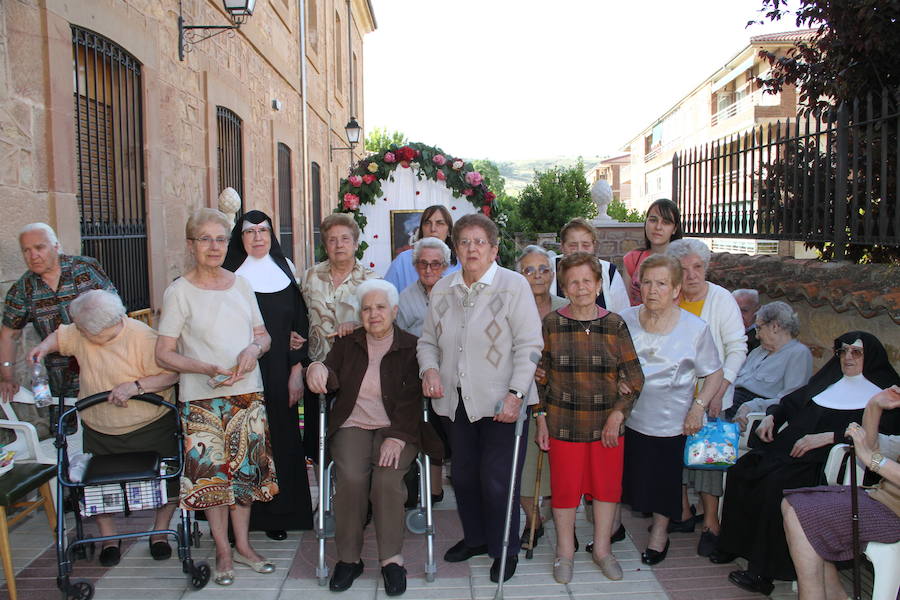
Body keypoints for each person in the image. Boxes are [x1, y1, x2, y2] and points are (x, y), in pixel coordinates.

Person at [711, 331, 900, 596]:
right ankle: (733, 545)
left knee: (776, 485)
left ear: (871, 357)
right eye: (843, 351)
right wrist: (773, 416)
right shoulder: (829, 378)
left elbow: (880, 438)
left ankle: (763, 571)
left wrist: (830, 437)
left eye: (856, 352)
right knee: (742, 470)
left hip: (825, 461)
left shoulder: (886, 393)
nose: (847, 357)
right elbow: (792, 402)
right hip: (789, 451)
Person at [155, 208, 278, 587]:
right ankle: (223, 549)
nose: (214, 246)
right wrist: (204, 367)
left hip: (247, 395)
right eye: (205, 239)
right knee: (213, 482)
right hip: (202, 401)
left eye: (221, 239)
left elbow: (263, 335)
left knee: (244, 477)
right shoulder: (179, 291)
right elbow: (164, 353)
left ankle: (243, 545)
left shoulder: (241, 285)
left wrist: (253, 350)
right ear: (191, 245)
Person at [418, 213, 543, 583]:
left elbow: (529, 345)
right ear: (456, 249)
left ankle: (505, 548)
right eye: (464, 242)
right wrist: (429, 370)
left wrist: (516, 394)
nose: (471, 249)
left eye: (479, 242)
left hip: (503, 402)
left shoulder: (513, 286)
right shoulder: (443, 288)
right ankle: (475, 538)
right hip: (455, 402)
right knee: (465, 476)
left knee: (498, 479)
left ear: (494, 248)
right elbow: (427, 341)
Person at [306, 279, 442, 596]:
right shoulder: (348, 343)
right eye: (367, 309)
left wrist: (398, 436)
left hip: (397, 427)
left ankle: (391, 560)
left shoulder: (411, 346)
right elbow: (329, 372)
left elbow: (413, 400)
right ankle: (349, 559)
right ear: (360, 314)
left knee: (386, 480)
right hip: (353, 424)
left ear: (394, 311)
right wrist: (317, 368)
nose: (373, 314)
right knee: (351, 478)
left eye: (380, 307)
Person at [27, 290, 179, 566]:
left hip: (149, 425)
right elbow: (60, 336)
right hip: (99, 426)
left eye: (84, 329)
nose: (79, 331)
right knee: (97, 488)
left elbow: (171, 374)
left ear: (104, 327)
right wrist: (43, 348)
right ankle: (109, 538)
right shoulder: (81, 331)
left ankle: (159, 533)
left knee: (165, 483)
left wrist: (136, 387)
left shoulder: (144, 338)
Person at [534, 252, 644, 583]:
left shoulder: (615, 324)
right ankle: (564, 552)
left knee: (607, 490)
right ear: (564, 287)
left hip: (606, 427)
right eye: (573, 282)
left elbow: (635, 377)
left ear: (598, 285)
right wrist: (541, 418)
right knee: (565, 491)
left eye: (587, 281)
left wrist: (618, 414)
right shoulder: (552, 324)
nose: (580, 287)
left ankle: (603, 550)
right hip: (563, 424)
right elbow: (539, 378)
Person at [619, 254, 723, 566]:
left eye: (662, 284)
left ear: (676, 289)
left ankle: (659, 534)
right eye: (647, 283)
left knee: (664, 480)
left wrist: (698, 408)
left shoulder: (695, 328)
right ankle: (612, 528)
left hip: (671, 419)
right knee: (625, 477)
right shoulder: (624, 320)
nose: (652, 290)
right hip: (628, 416)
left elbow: (714, 373)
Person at [222, 210, 313, 540]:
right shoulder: (228, 275)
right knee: (244, 445)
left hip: (279, 372)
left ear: (272, 235)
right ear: (240, 237)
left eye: (263, 230)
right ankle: (242, 523)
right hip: (242, 372)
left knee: (281, 441)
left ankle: (279, 515)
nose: (258, 237)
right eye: (250, 231)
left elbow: (299, 324)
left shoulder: (284, 268)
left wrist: (296, 369)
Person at [666, 238, 747, 556]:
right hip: (673, 396)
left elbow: (737, 347)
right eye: (683, 268)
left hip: (712, 395)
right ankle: (683, 513)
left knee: (709, 459)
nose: (691, 275)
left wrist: (720, 390)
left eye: (697, 267)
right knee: (673, 456)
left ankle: (711, 523)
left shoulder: (721, 299)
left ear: (706, 268)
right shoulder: (671, 298)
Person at [783, 387, 900, 600]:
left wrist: (872, 459)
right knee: (793, 504)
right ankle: (832, 594)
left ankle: (817, 596)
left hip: (895, 513)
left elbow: (870, 456)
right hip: (880, 498)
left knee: (800, 514)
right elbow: (872, 446)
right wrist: (874, 406)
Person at [1, 223, 116, 405]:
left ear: (55, 246)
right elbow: (9, 335)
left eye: (39, 247)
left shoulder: (85, 269)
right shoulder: (23, 289)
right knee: (65, 421)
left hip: (103, 367)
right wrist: (7, 377)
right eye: (26, 250)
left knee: (107, 416)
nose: (33, 255)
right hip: (61, 381)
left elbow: (116, 311)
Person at [299, 212, 378, 460]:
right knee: (317, 443)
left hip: (355, 372)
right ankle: (323, 485)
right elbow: (299, 315)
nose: (339, 245)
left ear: (355, 244)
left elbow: (384, 324)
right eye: (332, 240)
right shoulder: (310, 277)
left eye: (345, 239)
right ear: (325, 246)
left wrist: (359, 324)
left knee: (349, 443)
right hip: (317, 368)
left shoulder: (372, 281)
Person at [515, 245, 569, 549]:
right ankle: (532, 519)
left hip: (561, 398)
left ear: (552, 274)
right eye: (529, 270)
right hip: (523, 397)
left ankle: (559, 520)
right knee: (524, 465)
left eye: (544, 269)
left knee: (560, 466)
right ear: (519, 275)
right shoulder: (510, 307)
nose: (537, 275)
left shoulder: (566, 307)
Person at [727, 301, 813, 425]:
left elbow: (790, 399)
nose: (756, 336)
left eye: (758, 328)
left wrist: (752, 406)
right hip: (731, 401)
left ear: (774, 327)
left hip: (755, 413)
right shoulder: (758, 351)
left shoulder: (798, 354)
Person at [554, 218, 630, 314]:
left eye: (585, 245)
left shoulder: (609, 272)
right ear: (562, 246)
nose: (579, 250)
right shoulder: (549, 270)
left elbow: (622, 312)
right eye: (573, 245)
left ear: (594, 245)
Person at [384, 205, 460, 293]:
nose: (433, 229)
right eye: (427, 223)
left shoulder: (460, 262)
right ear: (421, 229)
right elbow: (385, 295)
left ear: (449, 231)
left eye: (439, 223)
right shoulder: (403, 260)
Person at [622, 198, 683, 305]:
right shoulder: (632, 259)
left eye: (666, 222)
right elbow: (623, 303)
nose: (658, 227)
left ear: (674, 229)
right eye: (653, 220)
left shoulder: (683, 262)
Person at [396, 237, 451, 337]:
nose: (428, 270)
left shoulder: (455, 293)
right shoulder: (405, 298)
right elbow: (400, 338)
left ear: (444, 267)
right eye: (423, 263)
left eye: (435, 264)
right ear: (416, 266)